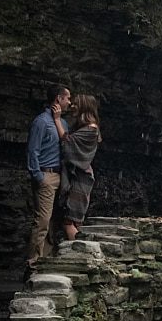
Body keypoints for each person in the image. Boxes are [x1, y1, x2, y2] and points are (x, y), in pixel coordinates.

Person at [27, 85, 70, 267]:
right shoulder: (41, 122)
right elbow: (33, 150)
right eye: (67, 98)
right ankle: (33, 262)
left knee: (53, 220)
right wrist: (38, 176)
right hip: (46, 174)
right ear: (58, 99)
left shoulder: (63, 123)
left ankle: (47, 258)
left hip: (60, 175)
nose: (70, 102)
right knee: (42, 220)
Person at [57, 94, 103, 247]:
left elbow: (68, 143)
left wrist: (57, 120)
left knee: (69, 220)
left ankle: (82, 253)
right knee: (74, 221)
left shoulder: (91, 129)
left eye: (76, 104)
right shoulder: (84, 128)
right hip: (79, 178)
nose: (72, 107)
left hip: (81, 178)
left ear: (84, 106)